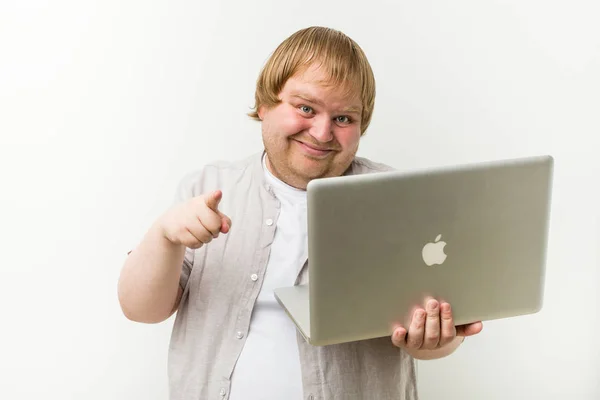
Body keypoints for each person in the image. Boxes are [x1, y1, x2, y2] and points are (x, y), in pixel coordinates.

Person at [117, 26, 483, 400]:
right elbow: (141, 309)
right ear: (264, 105)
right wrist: (163, 236)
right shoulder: (208, 189)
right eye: (306, 108)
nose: (322, 133)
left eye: (344, 119)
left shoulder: (398, 198)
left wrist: (435, 338)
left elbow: (430, 338)